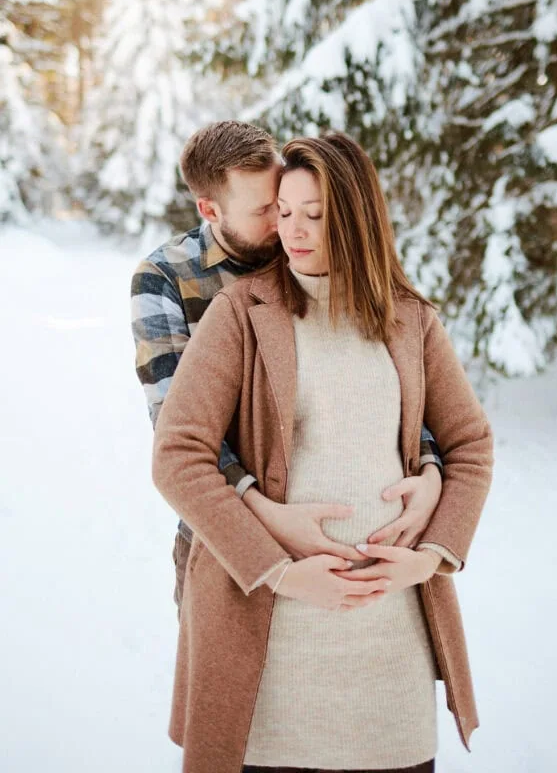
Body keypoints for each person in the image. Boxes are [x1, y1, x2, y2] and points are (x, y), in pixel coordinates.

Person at [152, 130, 494, 773]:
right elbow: (178, 455)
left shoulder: (409, 318)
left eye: (315, 214)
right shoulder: (240, 312)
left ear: (357, 216)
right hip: (273, 639)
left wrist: (428, 559)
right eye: (282, 212)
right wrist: (281, 570)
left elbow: (470, 445)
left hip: (389, 643)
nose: (293, 230)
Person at [131, 120, 445, 616]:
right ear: (210, 210)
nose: (287, 225)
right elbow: (178, 431)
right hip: (227, 532)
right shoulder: (166, 279)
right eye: (267, 211)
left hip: (354, 542)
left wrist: (429, 466)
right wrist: (267, 515)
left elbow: (387, 384)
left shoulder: (308, 250)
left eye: (287, 203)